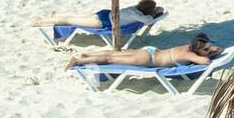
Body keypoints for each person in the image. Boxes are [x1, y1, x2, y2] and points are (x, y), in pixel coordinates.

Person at [65, 33, 223, 70]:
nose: (209, 50)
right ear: (197, 49)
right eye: (206, 48)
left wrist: (209, 49)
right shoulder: (188, 54)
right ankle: (77, 61)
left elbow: (218, 49)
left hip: (150, 52)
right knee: (111, 59)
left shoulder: (188, 47)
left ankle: (89, 55)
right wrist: (208, 54)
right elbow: (205, 61)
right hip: (149, 60)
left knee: (113, 54)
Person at [32, 0, 164, 30]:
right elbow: (149, 21)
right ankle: (41, 22)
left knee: (76, 16)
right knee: (70, 20)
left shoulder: (134, 8)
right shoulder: (138, 16)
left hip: (105, 13)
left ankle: (56, 15)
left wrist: (155, 9)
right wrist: (157, 11)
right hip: (104, 22)